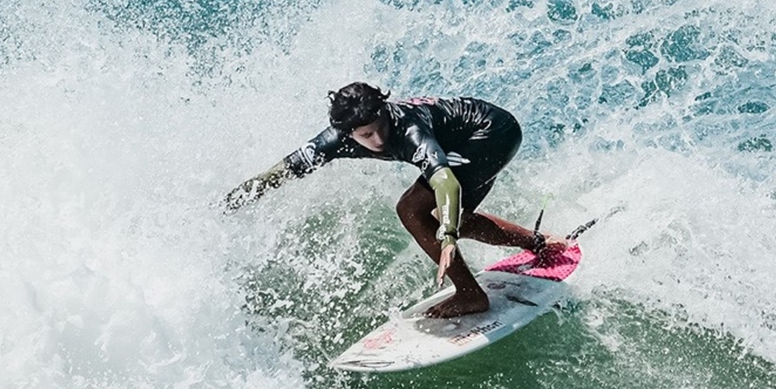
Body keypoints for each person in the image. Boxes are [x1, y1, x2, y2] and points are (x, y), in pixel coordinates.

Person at [225, 82, 563, 318]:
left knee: (413, 209)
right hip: (469, 138)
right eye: (365, 135)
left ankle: (471, 295)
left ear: (384, 111)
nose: (377, 139)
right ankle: (539, 244)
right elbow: (288, 167)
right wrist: (235, 200)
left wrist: (447, 236)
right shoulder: (337, 139)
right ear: (348, 133)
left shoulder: (408, 131)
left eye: (379, 127)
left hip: (490, 134)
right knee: (452, 216)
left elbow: (444, 180)